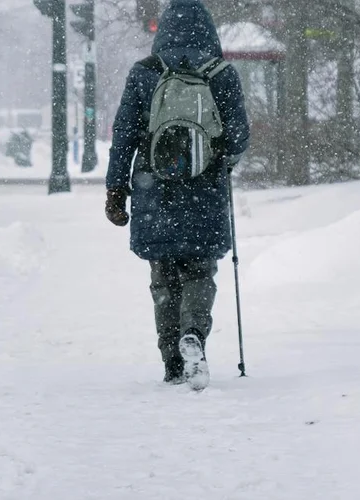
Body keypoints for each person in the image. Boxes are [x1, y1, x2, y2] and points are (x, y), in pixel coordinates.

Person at [105, 0, 250, 389]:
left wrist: (116, 189)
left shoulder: (144, 73)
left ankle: (171, 360)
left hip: (155, 194)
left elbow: (123, 137)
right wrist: (218, 161)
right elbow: (239, 136)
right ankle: (194, 336)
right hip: (205, 190)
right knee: (200, 270)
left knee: (163, 276)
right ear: (210, 31)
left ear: (163, 30)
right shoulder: (221, 74)